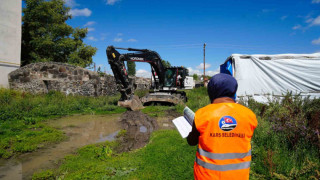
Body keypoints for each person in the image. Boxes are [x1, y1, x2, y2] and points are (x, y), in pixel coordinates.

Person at [187, 73, 258, 180]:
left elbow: (191, 141)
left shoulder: (202, 114)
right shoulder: (249, 115)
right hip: (239, 176)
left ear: (211, 91)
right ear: (233, 90)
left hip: (206, 176)